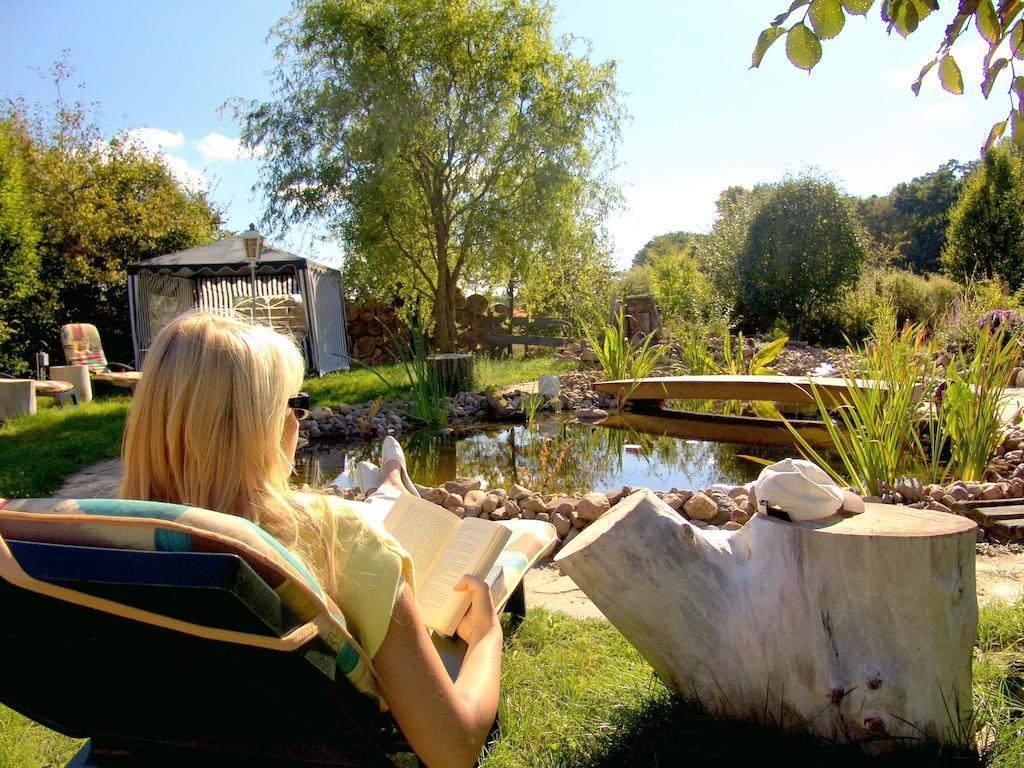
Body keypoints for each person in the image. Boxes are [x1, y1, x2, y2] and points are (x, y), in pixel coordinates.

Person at [119, 310, 500, 768]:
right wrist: (486, 635)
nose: (300, 420)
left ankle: (391, 484)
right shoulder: (338, 541)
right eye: (295, 403)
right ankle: (393, 485)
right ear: (265, 421)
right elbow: (452, 750)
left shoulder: (105, 545)